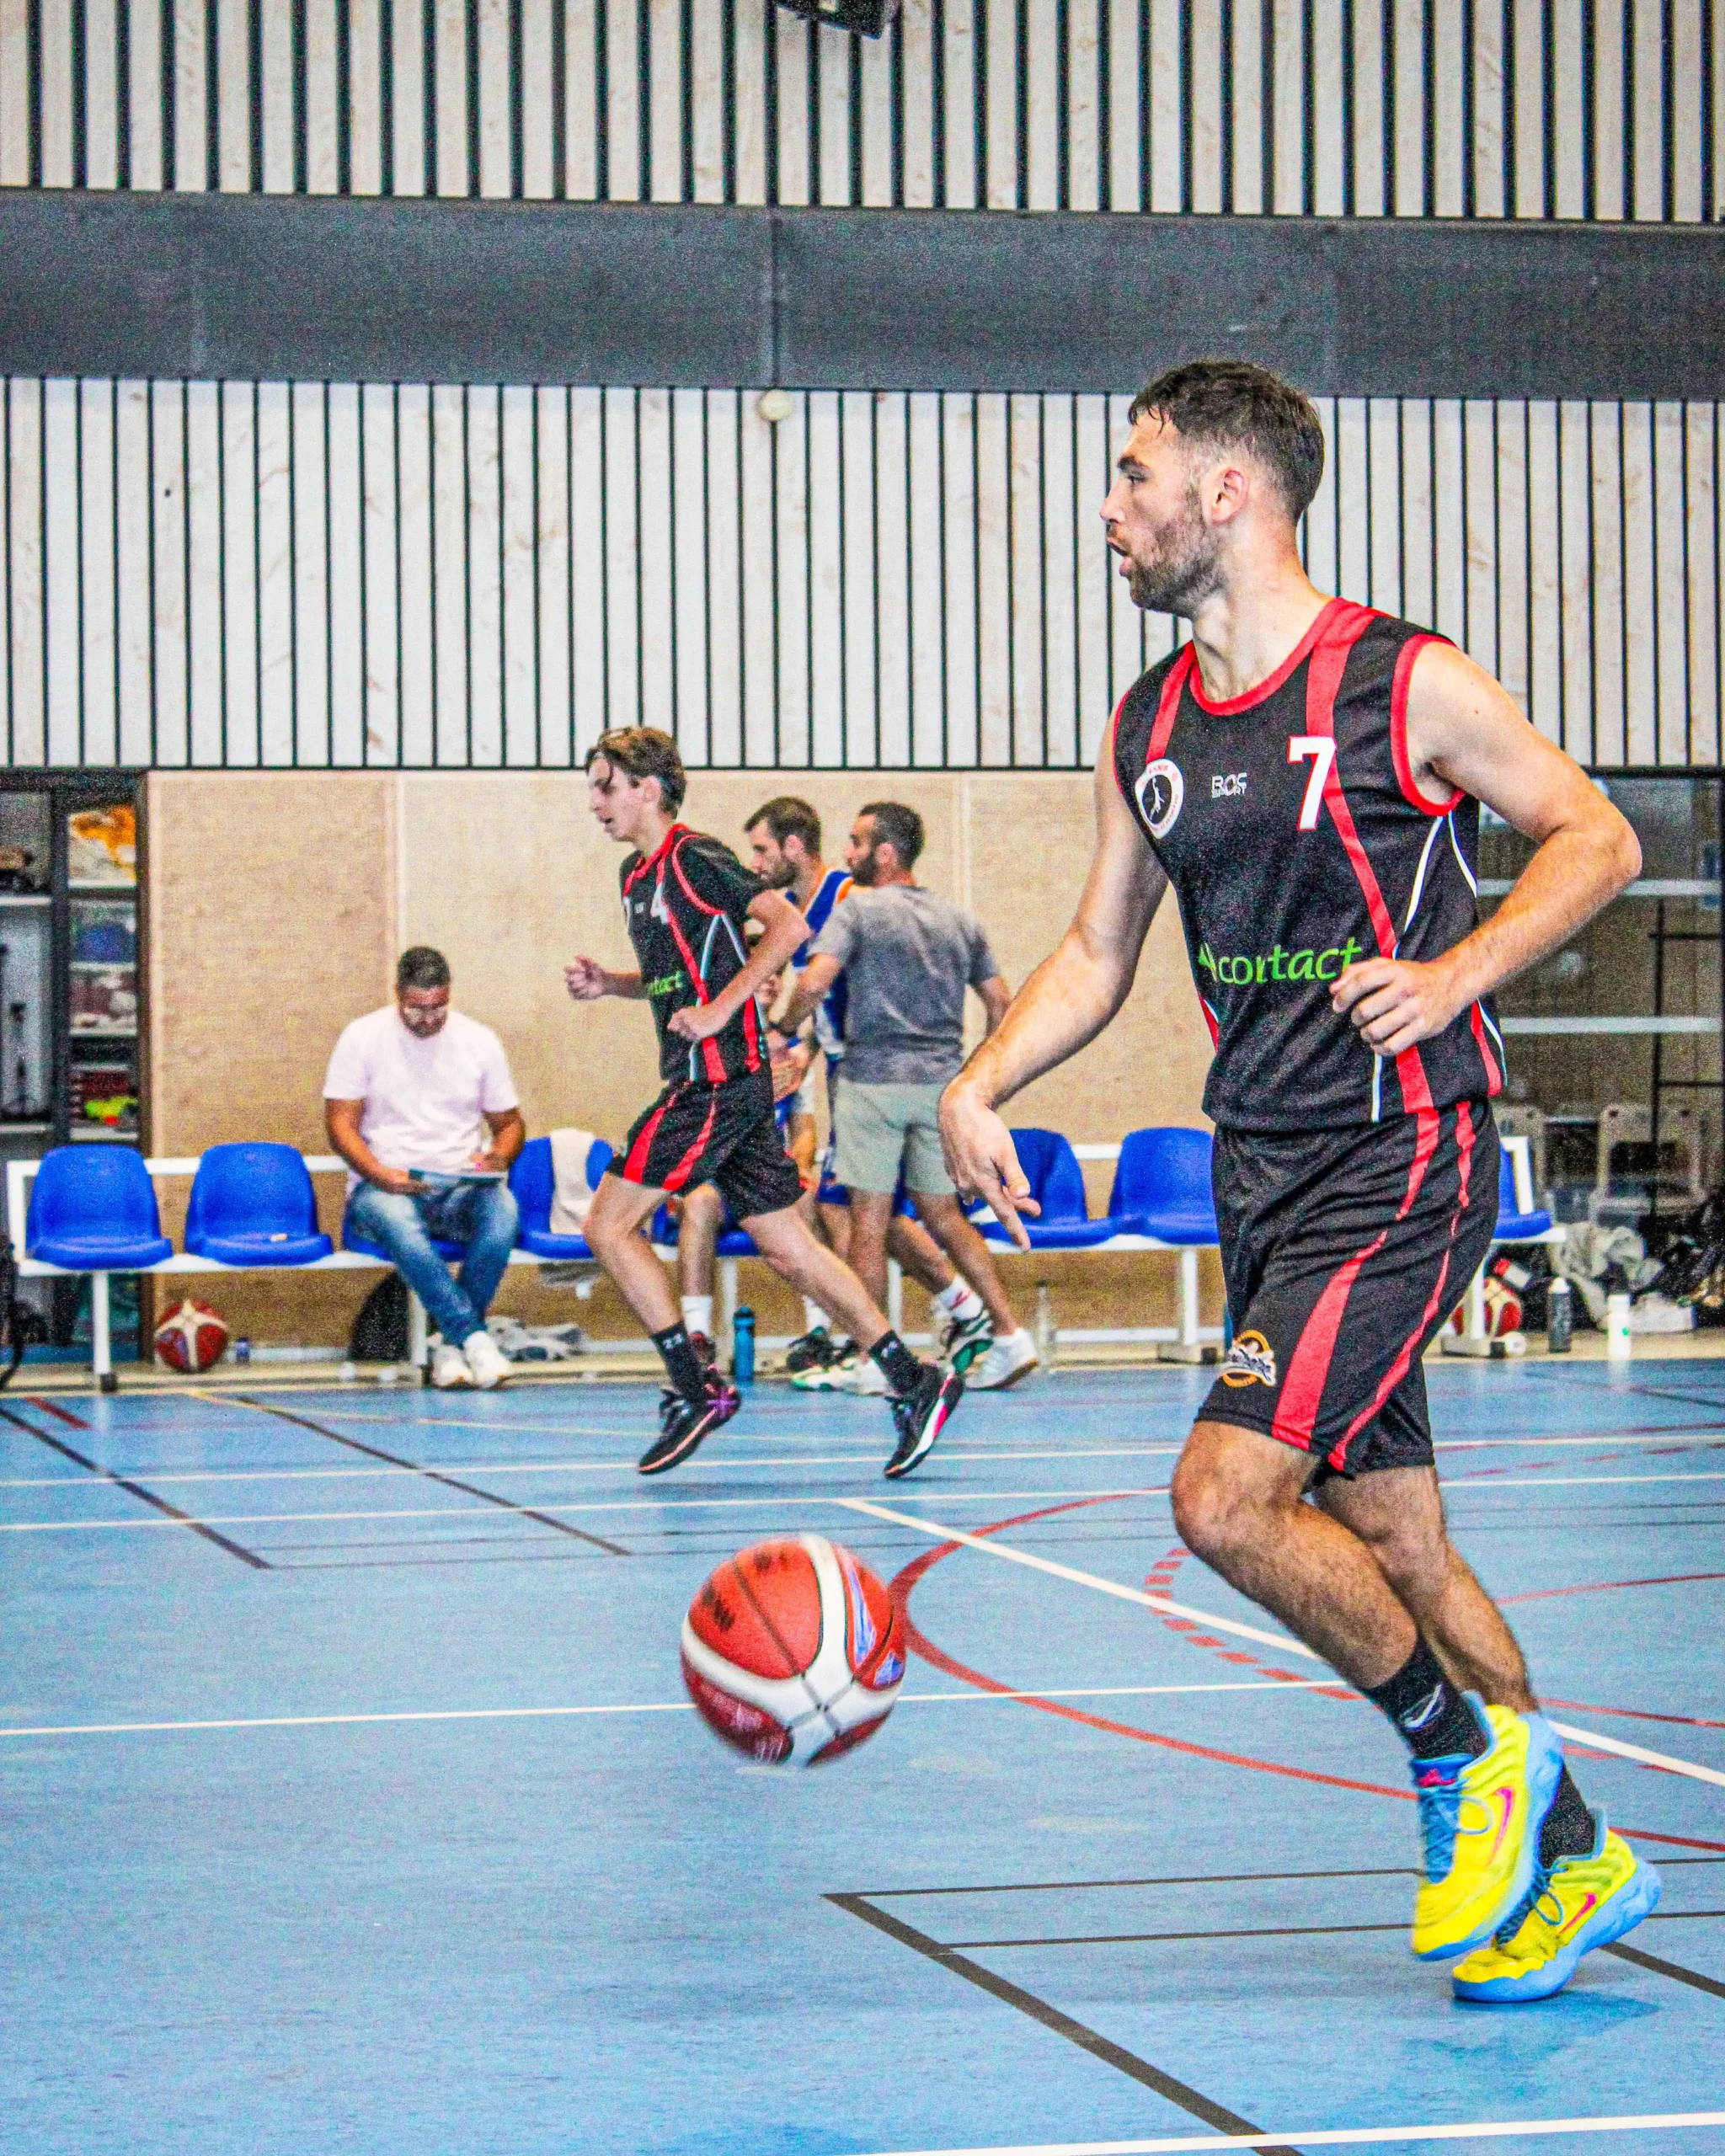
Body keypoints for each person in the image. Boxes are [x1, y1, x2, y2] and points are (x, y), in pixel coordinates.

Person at [941, 359, 1656, 2005]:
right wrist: (983, 1080)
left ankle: (1458, 1764)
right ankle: (1570, 1846)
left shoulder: (1396, 681)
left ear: (1228, 489)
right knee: (1393, 1538)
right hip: (1264, 1171)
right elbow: (1097, 948)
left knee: (1222, 1497)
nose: (1111, 508)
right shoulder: (1149, 720)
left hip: (1404, 1151)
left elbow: (1593, 835)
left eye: (1135, 474)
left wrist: (1458, 970)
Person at [563, 728, 964, 1479]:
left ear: (648, 790)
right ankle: (914, 1382)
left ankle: (695, 1387)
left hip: (714, 1080)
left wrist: (722, 1010)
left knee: (608, 1224)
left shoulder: (695, 857)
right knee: (792, 1249)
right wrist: (612, 984)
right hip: (724, 1082)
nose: (594, 802)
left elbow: (789, 925)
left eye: (605, 786)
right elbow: (674, 978)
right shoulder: (635, 877)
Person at [780, 801, 1039, 1390]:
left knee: (867, 1222)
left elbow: (814, 982)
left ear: (886, 853)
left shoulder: (858, 913)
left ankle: (875, 1359)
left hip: (871, 1081)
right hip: (941, 1085)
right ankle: (1008, 1334)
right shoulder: (958, 920)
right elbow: (1002, 1003)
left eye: (856, 842)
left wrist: (783, 1027)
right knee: (945, 1216)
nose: (847, 855)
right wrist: (980, 1076)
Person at [324, 947, 522, 1390]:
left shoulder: (480, 1041)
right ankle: (473, 1337)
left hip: (460, 1185)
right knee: (400, 1224)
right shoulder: (362, 1037)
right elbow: (340, 1125)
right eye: (417, 1008)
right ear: (398, 994)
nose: (429, 1018)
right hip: (385, 1186)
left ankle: (449, 1347)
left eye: (439, 1007)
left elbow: (509, 1125)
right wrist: (379, 1174)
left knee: (504, 1212)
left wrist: (499, 1156)